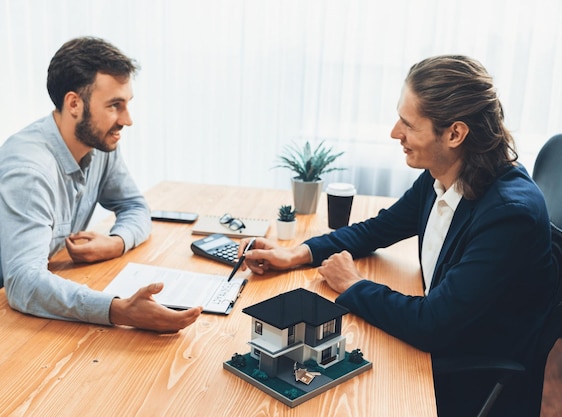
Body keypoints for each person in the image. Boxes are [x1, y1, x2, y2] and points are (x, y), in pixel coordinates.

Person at [239, 55, 557, 416]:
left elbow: (433, 325)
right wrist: (297, 254)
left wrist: (353, 284)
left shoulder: (507, 214)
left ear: (454, 133)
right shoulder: (446, 172)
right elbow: (379, 228)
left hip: (463, 367)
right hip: (441, 333)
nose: (395, 133)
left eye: (408, 124)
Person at [0, 37, 202, 332]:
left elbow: (134, 206)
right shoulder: (29, 171)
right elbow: (23, 283)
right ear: (74, 103)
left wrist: (117, 242)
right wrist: (119, 311)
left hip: (45, 292)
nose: (127, 119)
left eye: (127, 104)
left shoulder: (98, 144)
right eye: (114, 105)